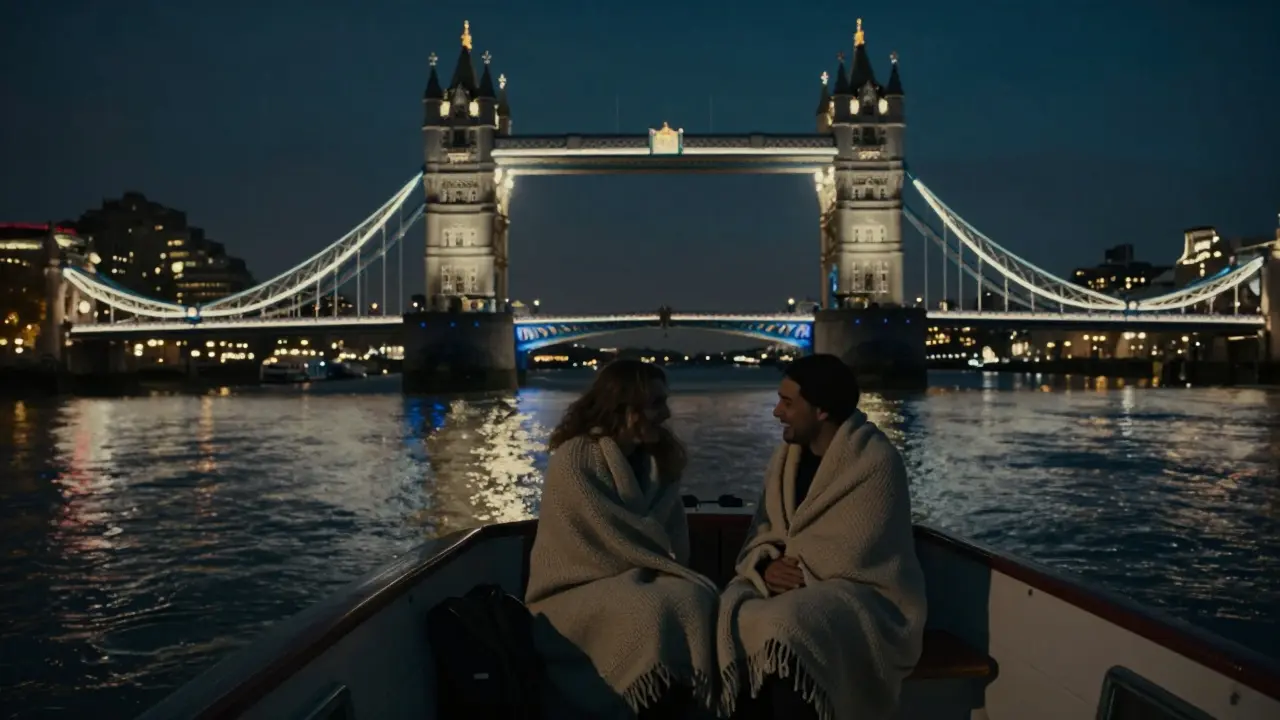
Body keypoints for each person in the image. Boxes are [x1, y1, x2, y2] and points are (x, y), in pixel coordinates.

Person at [716, 354, 927, 720]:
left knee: (787, 626)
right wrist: (765, 565)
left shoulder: (876, 461)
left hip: (867, 598)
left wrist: (793, 568)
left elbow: (860, 554)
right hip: (798, 588)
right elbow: (765, 532)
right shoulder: (787, 458)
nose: (776, 412)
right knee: (732, 610)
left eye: (787, 403)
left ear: (822, 411)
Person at [525, 359, 719, 719]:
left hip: (632, 580)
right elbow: (602, 541)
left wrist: (661, 571)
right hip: (572, 591)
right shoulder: (576, 457)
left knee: (693, 598)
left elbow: (669, 540)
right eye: (656, 403)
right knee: (655, 609)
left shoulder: (658, 464)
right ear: (625, 407)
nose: (666, 413)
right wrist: (656, 570)